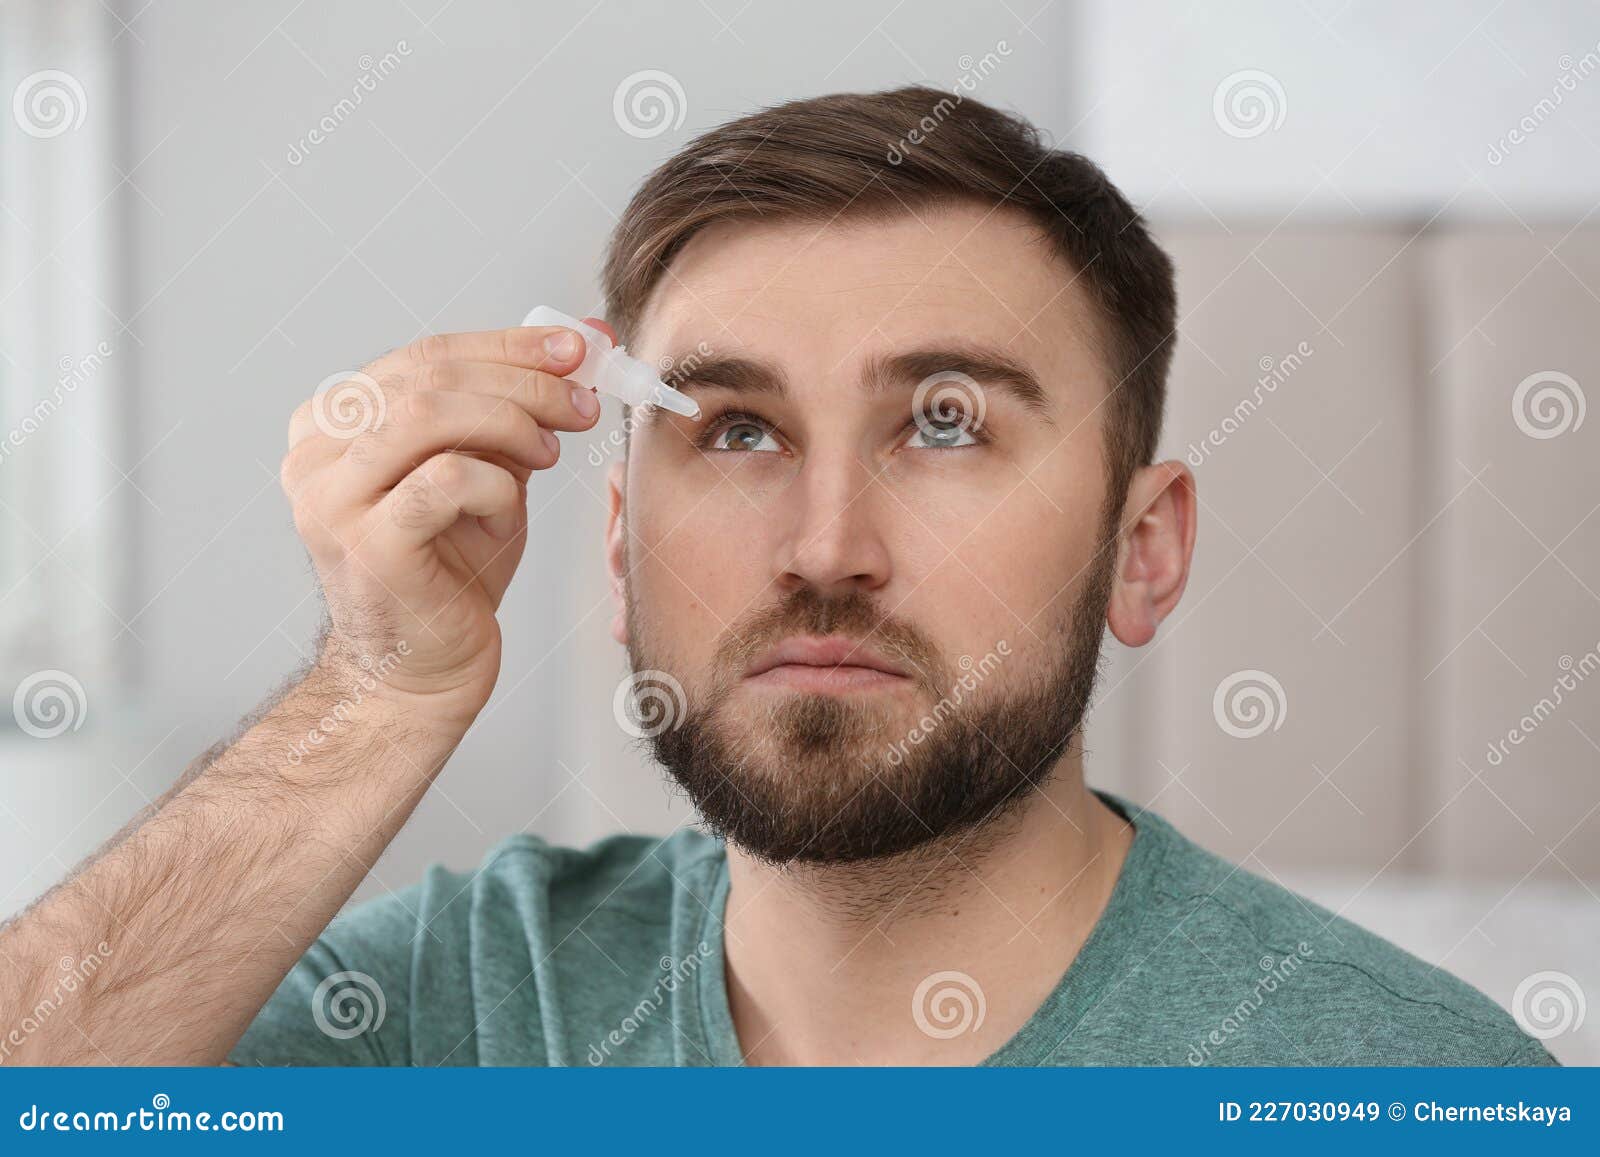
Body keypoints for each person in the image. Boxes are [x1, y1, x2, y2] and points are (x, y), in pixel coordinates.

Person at [0, 87, 1552, 1067]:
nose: (824, 546)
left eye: (945, 423)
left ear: (1141, 551)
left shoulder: (1392, 1080)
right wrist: (374, 689)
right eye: (736, 429)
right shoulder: (458, 1008)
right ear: (618, 547)